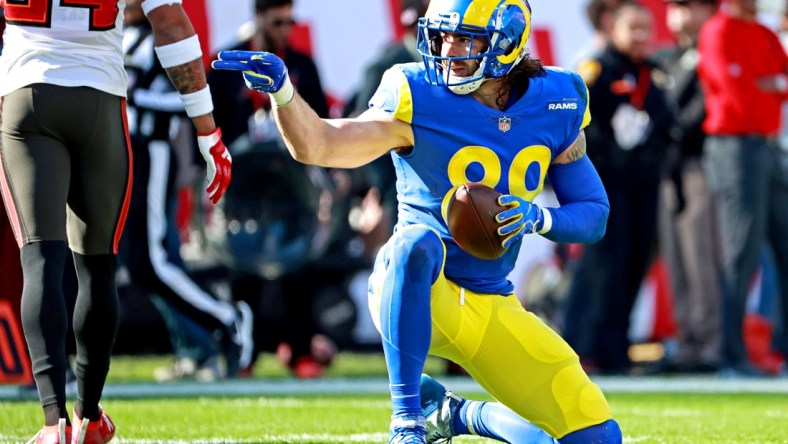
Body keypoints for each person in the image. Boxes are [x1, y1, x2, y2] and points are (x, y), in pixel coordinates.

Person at [213, 0, 622, 443]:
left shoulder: (557, 98)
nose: (447, 48)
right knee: (417, 243)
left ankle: (457, 416)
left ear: (505, 43)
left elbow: (593, 214)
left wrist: (538, 217)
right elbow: (322, 147)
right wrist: (283, 94)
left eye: (464, 37)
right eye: (442, 35)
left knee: (596, 437)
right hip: (415, 285)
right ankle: (406, 418)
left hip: (489, 300)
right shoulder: (416, 92)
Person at [0, 0, 232, 442]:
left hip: (27, 92)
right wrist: (208, 130)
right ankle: (88, 416)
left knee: (41, 261)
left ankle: (53, 423)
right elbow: (170, 23)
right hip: (99, 103)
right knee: (97, 267)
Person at [120, 0, 253, 382]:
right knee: (140, 267)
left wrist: (131, 96)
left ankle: (226, 319)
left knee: (155, 262)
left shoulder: (165, 36)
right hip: (118, 151)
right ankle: (205, 336)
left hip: (152, 150)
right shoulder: (118, 35)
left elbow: (185, 98)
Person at [562, 2, 673, 375]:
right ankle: (580, 347)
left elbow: (665, 127)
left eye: (647, 28)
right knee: (601, 266)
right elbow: (581, 128)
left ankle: (616, 351)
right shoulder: (596, 70)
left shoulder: (655, 74)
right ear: (613, 29)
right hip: (605, 186)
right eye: (633, 28)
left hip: (643, 186)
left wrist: (649, 155)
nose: (642, 36)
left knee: (635, 263)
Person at [696, 0, 788, 378]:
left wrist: (767, 85)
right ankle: (731, 356)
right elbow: (737, 94)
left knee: (783, 247)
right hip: (734, 148)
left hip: (766, 146)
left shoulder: (765, 33)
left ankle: (779, 352)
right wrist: (769, 86)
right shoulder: (717, 31)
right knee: (741, 252)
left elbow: (778, 85)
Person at [654, 0, 722, 374]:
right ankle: (689, 342)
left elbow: (701, 109)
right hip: (668, 169)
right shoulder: (668, 58)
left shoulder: (712, 51)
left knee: (702, 256)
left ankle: (710, 343)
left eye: (691, 6)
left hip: (700, 164)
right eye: (676, 6)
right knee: (677, 260)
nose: (682, 15)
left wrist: (673, 129)